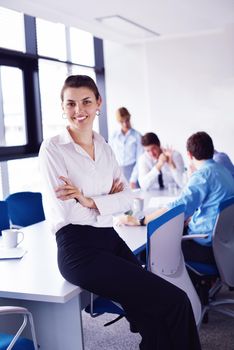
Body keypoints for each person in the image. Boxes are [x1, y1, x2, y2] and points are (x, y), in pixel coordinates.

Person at [39, 75, 201, 350]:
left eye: (86, 102)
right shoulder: (53, 149)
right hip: (78, 249)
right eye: (71, 104)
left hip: (110, 239)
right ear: (62, 107)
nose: (79, 110)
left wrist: (88, 200)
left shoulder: (104, 147)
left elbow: (127, 198)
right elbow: (67, 212)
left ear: (98, 103)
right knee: (175, 302)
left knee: (151, 314)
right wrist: (106, 201)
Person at [121, 131, 234, 266]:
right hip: (224, 243)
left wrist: (141, 221)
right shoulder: (223, 171)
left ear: (189, 155)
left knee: (149, 251)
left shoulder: (202, 176)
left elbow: (178, 206)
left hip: (205, 246)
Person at [109, 107, 143, 189]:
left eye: (127, 120)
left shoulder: (137, 136)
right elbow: (110, 157)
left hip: (134, 172)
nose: (125, 124)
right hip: (118, 172)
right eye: (122, 122)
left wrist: (133, 180)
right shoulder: (114, 136)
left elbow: (140, 159)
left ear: (129, 118)